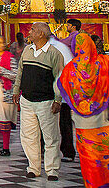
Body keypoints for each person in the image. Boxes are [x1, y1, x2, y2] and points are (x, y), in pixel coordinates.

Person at [57, 32, 109, 188]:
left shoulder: (70, 68)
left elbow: (58, 89)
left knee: (91, 164)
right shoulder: (106, 62)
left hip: (85, 128)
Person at [11, 22, 65, 181]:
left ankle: (52, 169)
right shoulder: (27, 50)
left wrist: (57, 100)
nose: (29, 32)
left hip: (46, 101)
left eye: (33, 30)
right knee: (28, 136)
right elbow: (20, 71)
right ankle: (33, 168)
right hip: (27, 100)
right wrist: (16, 90)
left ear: (41, 34)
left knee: (51, 137)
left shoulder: (54, 54)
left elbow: (59, 79)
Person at [49, 25, 78, 163]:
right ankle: (56, 150)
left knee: (63, 122)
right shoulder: (40, 47)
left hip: (61, 89)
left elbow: (68, 67)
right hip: (50, 90)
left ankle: (67, 150)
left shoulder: (58, 47)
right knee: (54, 121)